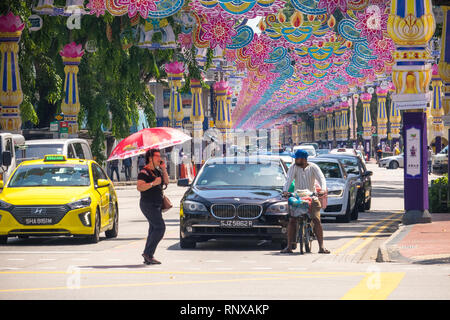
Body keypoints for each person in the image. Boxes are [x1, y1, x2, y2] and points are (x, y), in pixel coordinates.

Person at [281, 149, 330, 254]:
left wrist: (322, 189)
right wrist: (285, 191)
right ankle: (289, 246)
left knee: (316, 220)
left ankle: (321, 247)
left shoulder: (313, 167)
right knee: (292, 220)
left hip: (312, 196)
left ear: (303, 159)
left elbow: (322, 179)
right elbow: (289, 179)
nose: (295, 160)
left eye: (297, 158)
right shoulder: (293, 167)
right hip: (297, 196)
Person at [137, 149, 169, 265]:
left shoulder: (157, 171)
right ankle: (147, 253)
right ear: (150, 158)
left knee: (153, 230)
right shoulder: (144, 172)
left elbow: (166, 182)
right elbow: (139, 187)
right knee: (160, 228)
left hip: (157, 205)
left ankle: (149, 256)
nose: (159, 158)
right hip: (148, 204)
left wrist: (164, 169)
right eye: (157, 156)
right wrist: (152, 183)